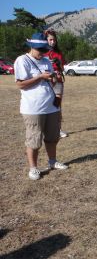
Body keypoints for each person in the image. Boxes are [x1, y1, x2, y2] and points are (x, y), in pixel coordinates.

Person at [14, 32, 68, 180]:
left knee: (52, 137)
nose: (44, 52)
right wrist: (39, 77)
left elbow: (51, 82)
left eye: (45, 49)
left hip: (51, 106)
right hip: (33, 108)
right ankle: (33, 168)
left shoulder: (46, 61)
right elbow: (20, 84)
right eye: (41, 49)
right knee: (34, 139)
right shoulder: (22, 60)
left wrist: (54, 78)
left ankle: (52, 162)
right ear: (32, 47)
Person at [43, 29, 68, 138]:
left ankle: (58, 129)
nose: (53, 42)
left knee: (57, 106)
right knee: (46, 104)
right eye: (50, 39)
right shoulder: (42, 52)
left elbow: (62, 68)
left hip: (58, 82)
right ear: (46, 40)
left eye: (54, 40)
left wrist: (59, 65)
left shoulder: (59, 53)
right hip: (47, 81)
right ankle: (46, 130)